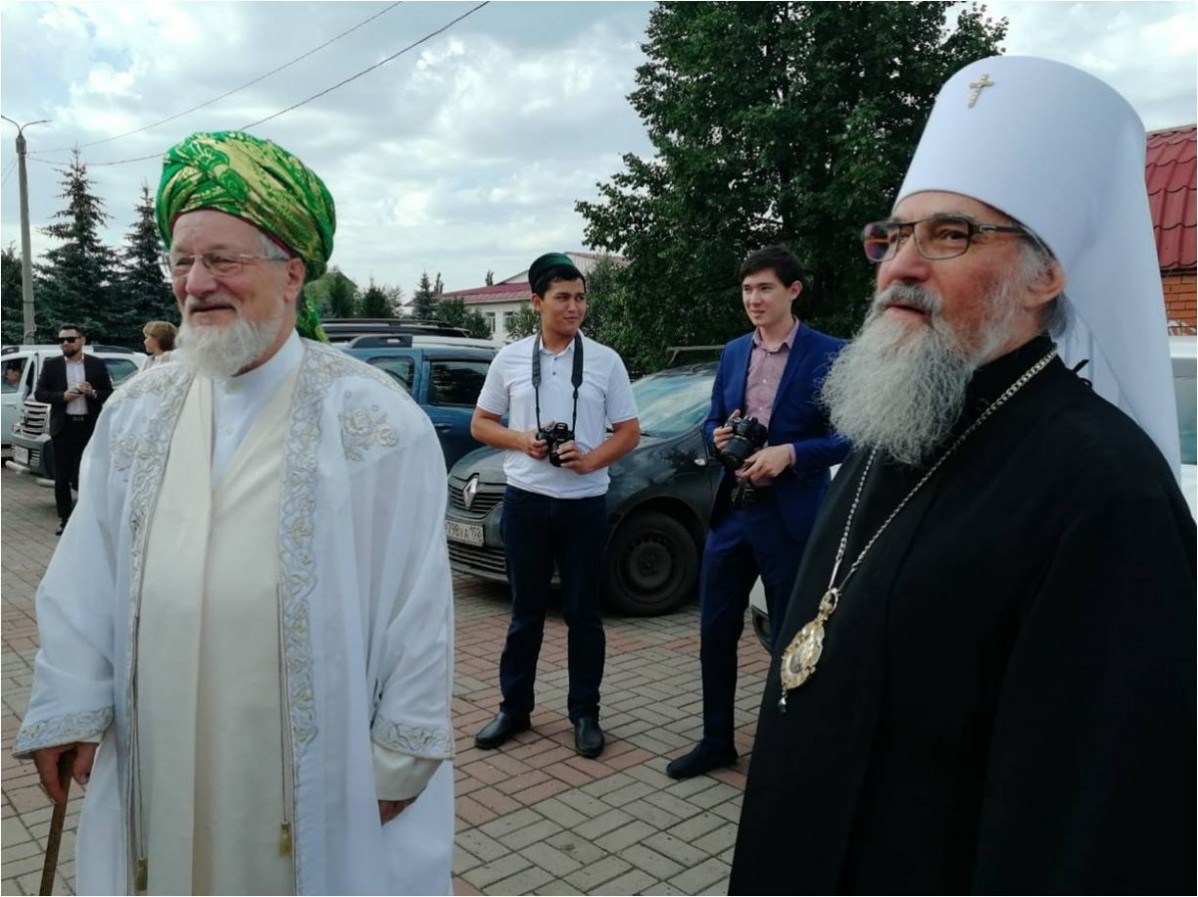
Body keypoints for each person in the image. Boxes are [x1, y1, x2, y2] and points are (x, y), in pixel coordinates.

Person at [730, 57, 1195, 894]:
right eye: (894, 236)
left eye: (950, 235)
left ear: (1046, 275)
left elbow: (1089, 830)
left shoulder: (1107, 494)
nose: (901, 266)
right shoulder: (893, 424)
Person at [13, 130, 456, 896]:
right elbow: (87, 571)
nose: (196, 283)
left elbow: (418, 608)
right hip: (158, 751)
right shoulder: (138, 411)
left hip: (316, 776)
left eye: (222, 259)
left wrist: (400, 757)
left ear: (293, 272)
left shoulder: (374, 422)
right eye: (182, 261)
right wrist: (71, 704)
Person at [666, 246, 848, 780]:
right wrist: (718, 437)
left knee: (793, 638)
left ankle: (788, 747)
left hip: (790, 517)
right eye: (747, 289)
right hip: (733, 512)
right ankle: (716, 741)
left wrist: (790, 454)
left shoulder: (830, 353)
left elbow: (852, 437)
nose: (754, 299)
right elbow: (713, 420)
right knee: (715, 631)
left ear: (793, 290)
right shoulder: (732, 352)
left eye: (765, 288)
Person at [470, 252, 640, 759]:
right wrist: (522, 440)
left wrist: (590, 461)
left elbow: (628, 432)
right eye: (563, 297)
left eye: (580, 297)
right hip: (526, 502)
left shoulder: (606, 360)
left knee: (584, 615)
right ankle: (514, 709)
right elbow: (481, 424)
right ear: (536, 302)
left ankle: (585, 714)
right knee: (525, 614)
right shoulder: (510, 359)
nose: (574, 307)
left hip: (584, 504)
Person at [34, 324, 113, 535]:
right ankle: (65, 519)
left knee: (86, 474)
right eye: (61, 340)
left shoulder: (96, 364)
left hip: (88, 426)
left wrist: (93, 393)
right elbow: (40, 393)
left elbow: (109, 393)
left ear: (82, 340)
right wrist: (62, 396)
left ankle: (89, 517)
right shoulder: (52, 365)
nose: (65, 344)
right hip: (63, 426)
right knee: (61, 477)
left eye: (70, 339)